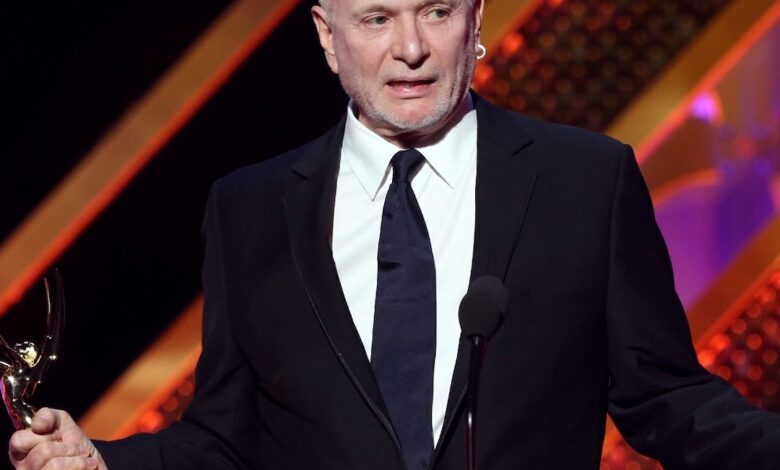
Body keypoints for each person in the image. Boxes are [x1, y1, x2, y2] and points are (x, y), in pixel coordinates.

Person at [8, 0, 780, 468]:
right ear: (327, 35)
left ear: (475, 19)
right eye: (377, 18)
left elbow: (666, 399)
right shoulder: (251, 208)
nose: (411, 48)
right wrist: (101, 461)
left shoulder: (586, 181)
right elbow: (224, 437)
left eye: (436, 12)